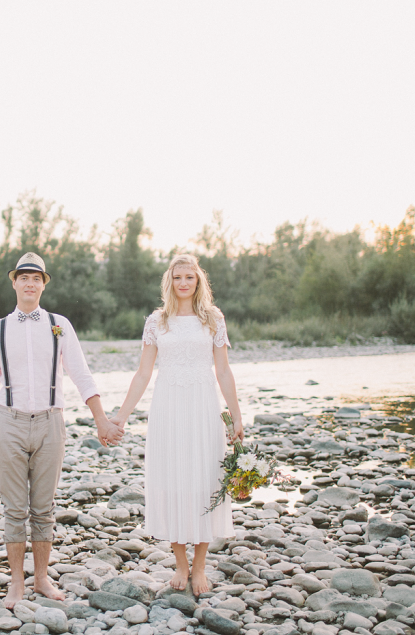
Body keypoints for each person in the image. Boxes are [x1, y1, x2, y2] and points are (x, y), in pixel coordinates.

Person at [0, 252, 124, 608]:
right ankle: (16, 582)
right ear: (14, 282)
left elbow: (81, 374)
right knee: (14, 509)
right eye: (23, 277)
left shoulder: (60, 325)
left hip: (51, 423)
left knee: (43, 508)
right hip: (9, 423)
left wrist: (101, 420)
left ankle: (41, 578)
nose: (30, 283)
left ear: (44, 284)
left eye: (36, 278)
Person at [110, 253, 244, 596]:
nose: (184, 283)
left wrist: (236, 417)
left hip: (203, 405)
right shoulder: (157, 321)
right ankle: (180, 564)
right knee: (171, 478)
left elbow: (224, 371)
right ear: (169, 282)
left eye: (190, 277)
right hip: (168, 406)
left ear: (199, 282)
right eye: (178, 277)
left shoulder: (213, 319)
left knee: (204, 478)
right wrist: (121, 415)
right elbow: (143, 373)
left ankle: (200, 566)